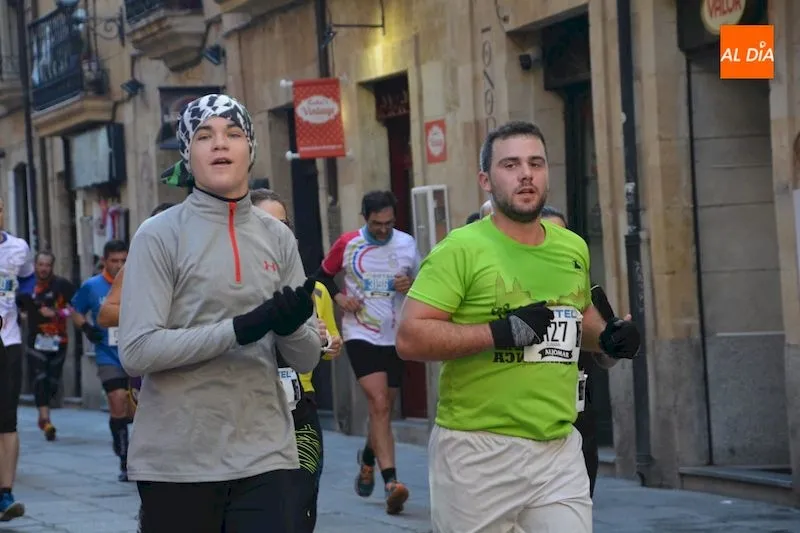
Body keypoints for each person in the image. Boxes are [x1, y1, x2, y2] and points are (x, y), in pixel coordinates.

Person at [395, 121, 641, 532]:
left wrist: (608, 338)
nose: (526, 174)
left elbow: (577, 316)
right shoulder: (461, 249)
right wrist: (497, 333)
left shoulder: (572, 247)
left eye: (535, 163)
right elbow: (409, 337)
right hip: (477, 450)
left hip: (558, 447)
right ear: (485, 180)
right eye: (510, 165)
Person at [120, 94, 322, 533]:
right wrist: (240, 329)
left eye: (232, 133)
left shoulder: (278, 238)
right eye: (204, 136)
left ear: (250, 149)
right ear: (187, 155)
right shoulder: (158, 235)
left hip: (266, 454)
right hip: (177, 461)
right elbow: (136, 351)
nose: (219, 144)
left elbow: (306, 359)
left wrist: (290, 329)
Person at [314, 190, 420, 515]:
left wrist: (410, 284)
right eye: (377, 224)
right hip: (360, 333)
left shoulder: (407, 244)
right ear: (365, 218)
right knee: (379, 403)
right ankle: (391, 484)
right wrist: (340, 298)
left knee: (384, 409)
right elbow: (321, 275)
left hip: (396, 334)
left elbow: (425, 285)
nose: (383, 230)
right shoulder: (348, 244)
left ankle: (368, 458)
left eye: (389, 223)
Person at [250, 188, 343, 532]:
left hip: (300, 410)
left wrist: (326, 343)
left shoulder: (315, 290)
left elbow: (329, 346)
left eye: (284, 224)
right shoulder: (231, 290)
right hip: (250, 410)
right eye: (266, 223)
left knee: (300, 504)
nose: (278, 231)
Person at [538, 204, 619, 498]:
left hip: (578, 421)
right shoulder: (512, 289)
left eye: (563, 235)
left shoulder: (588, 290)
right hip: (528, 423)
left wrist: (616, 344)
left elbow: (605, 356)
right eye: (548, 236)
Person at [96, 202, 176, 419]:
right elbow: (105, 315)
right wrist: (153, 310)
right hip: (153, 361)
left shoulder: (204, 262)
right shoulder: (136, 266)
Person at [71, 239, 130, 481]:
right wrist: (87, 328)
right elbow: (76, 310)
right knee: (117, 400)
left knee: (137, 408)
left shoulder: (137, 281)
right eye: (114, 261)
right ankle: (124, 458)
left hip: (136, 353)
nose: (119, 265)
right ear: (104, 261)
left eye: (124, 260)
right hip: (108, 355)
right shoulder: (92, 286)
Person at [16, 251, 76, 441]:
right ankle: (45, 418)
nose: (44, 268)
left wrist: (58, 313)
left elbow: (77, 306)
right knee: (40, 378)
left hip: (59, 341)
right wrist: (22, 315)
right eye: (41, 264)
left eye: (47, 265)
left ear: (52, 266)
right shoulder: (26, 287)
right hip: (35, 341)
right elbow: (16, 305)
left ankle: (44, 412)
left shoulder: (62, 285)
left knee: (52, 382)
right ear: (35, 265)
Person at [0, 197, 34, 522]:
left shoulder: (18, 248)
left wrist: (24, 301)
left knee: (7, 419)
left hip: (8, 341)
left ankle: (5, 493)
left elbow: (27, 278)